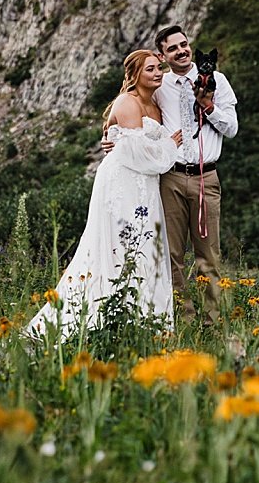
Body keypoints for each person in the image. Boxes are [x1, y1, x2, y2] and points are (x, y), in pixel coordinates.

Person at [24, 50, 183, 342]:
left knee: (146, 248)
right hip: (123, 181)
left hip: (146, 184)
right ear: (135, 75)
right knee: (117, 247)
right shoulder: (127, 102)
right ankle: (96, 320)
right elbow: (139, 153)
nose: (158, 73)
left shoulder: (156, 103)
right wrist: (170, 147)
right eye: (150, 69)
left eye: (159, 68)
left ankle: (143, 323)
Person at [154, 24, 237, 326]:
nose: (182, 51)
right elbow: (130, 108)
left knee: (208, 256)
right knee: (172, 256)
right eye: (173, 48)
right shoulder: (158, 85)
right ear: (162, 56)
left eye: (184, 44)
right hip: (171, 178)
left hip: (206, 177)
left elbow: (232, 128)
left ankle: (211, 323)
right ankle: (183, 321)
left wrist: (209, 106)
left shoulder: (219, 81)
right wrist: (110, 136)